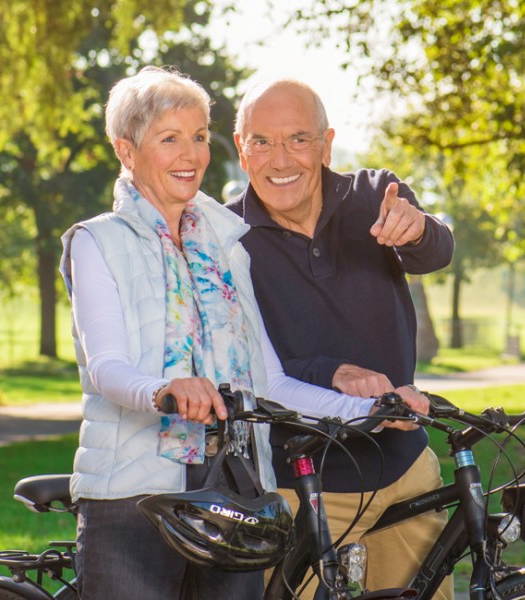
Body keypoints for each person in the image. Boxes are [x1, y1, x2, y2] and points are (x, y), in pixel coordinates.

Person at [59, 66, 428, 600]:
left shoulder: (228, 245)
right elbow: (107, 369)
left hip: (234, 492)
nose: (190, 155)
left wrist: (375, 410)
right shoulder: (98, 242)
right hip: (131, 497)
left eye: (199, 137)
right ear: (126, 150)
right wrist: (165, 389)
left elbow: (268, 383)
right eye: (169, 139)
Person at [227, 79, 455, 599]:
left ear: (327, 144)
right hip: (299, 480)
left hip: (403, 466)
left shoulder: (375, 195)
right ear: (242, 149)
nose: (279, 158)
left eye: (298, 139)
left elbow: (435, 252)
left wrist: (417, 227)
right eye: (261, 141)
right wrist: (331, 371)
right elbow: (244, 363)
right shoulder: (225, 237)